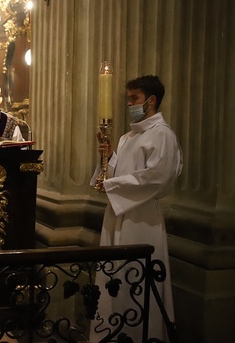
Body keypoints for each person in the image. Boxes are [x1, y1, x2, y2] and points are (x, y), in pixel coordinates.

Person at [90, 75, 182, 342]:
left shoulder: (162, 135)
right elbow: (112, 174)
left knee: (139, 281)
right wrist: (105, 156)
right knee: (114, 276)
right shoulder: (127, 137)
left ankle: (142, 335)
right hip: (117, 215)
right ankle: (113, 333)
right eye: (128, 98)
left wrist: (113, 186)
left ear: (151, 100)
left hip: (142, 221)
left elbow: (158, 178)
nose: (129, 104)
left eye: (134, 98)